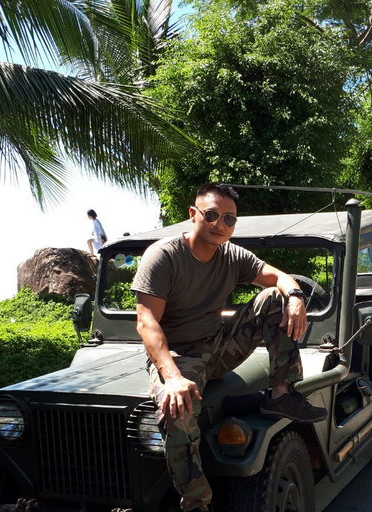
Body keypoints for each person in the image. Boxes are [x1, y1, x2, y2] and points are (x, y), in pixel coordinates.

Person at [131, 183, 327, 512]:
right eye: (211, 215)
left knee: (276, 297)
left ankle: (281, 395)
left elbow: (276, 275)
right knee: (176, 407)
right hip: (179, 354)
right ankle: (197, 503)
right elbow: (147, 321)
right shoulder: (163, 256)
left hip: (219, 344)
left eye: (228, 219)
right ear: (193, 215)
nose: (220, 224)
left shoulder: (231, 254)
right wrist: (172, 377)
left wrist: (295, 297)